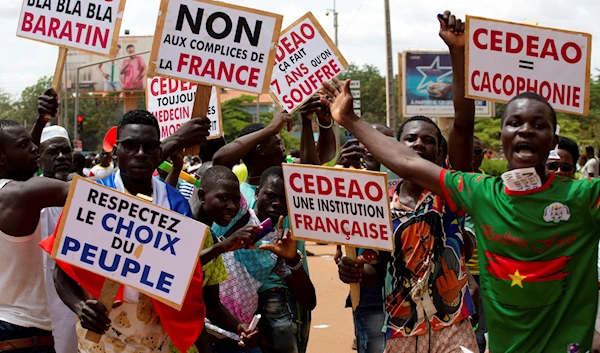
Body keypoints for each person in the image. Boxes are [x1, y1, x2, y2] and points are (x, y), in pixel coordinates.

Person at [324, 10, 600, 353]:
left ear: (552, 139)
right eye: (515, 123)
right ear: (502, 137)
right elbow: (405, 162)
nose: (526, 130)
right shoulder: (482, 193)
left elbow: (461, 128)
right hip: (411, 329)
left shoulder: (586, 197)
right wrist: (347, 118)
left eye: (539, 125)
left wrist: (459, 54)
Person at [334, 13, 481, 352]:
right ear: (395, 149)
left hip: (454, 325)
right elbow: (373, 268)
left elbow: (462, 123)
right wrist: (352, 271)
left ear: (441, 150)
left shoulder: (451, 189)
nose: (417, 145)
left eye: (427, 140)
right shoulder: (378, 202)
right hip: (401, 330)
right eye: (409, 139)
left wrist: (458, 54)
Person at [43, 110, 214, 353]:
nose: (140, 153)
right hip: (99, 337)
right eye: (130, 145)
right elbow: (61, 272)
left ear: (158, 151)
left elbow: (188, 278)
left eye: (149, 146)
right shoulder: (91, 197)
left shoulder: (175, 203)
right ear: (115, 151)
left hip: (154, 337)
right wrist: (81, 307)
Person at [0, 90, 72, 353]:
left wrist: (41, 121)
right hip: (22, 334)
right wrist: (158, 151)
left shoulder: (11, 190)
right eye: (24, 145)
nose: (34, 149)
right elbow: (84, 191)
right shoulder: (18, 195)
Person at [334, 124, 393, 353]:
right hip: (369, 292)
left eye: (383, 141)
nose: (374, 147)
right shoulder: (349, 182)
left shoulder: (410, 184)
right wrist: (339, 169)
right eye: (367, 142)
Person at [38, 125, 79, 353]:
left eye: (66, 150)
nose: (62, 157)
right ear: (39, 157)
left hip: (75, 302)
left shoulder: (85, 194)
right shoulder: (28, 197)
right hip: (39, 303)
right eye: (53, 152)